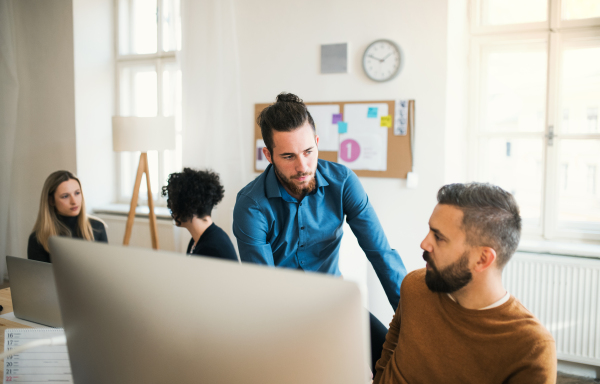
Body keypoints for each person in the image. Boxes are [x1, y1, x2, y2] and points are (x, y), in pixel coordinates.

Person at [233, 93, 407, 371]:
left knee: (392, 360)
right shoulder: (251, 205)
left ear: (316, 143)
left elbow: (380, 252)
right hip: (281, 314)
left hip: (334, 302)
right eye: (288, 156)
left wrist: (415, 318)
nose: (302, 166)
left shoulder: (343, 182)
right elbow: (264, 287)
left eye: (307, 152)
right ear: (268, 155)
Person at [374, 183, 556, 384]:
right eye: (429, 231)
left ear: (482, 259)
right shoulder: (415, 285)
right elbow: (388, 355)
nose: (424, 243)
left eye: (439, 237)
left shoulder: (532, 347)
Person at [28, 170, 108, 263]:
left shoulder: (97, 227)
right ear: (51, 201)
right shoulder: (38, 238)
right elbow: (39, 276)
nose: (74, 201)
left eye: (77, 193)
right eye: (65, 196)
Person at [161, 168, 238, 262]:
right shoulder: (197, 240)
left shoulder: (210, 249)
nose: (172, 209)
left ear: (188, 206)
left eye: (174, 203)